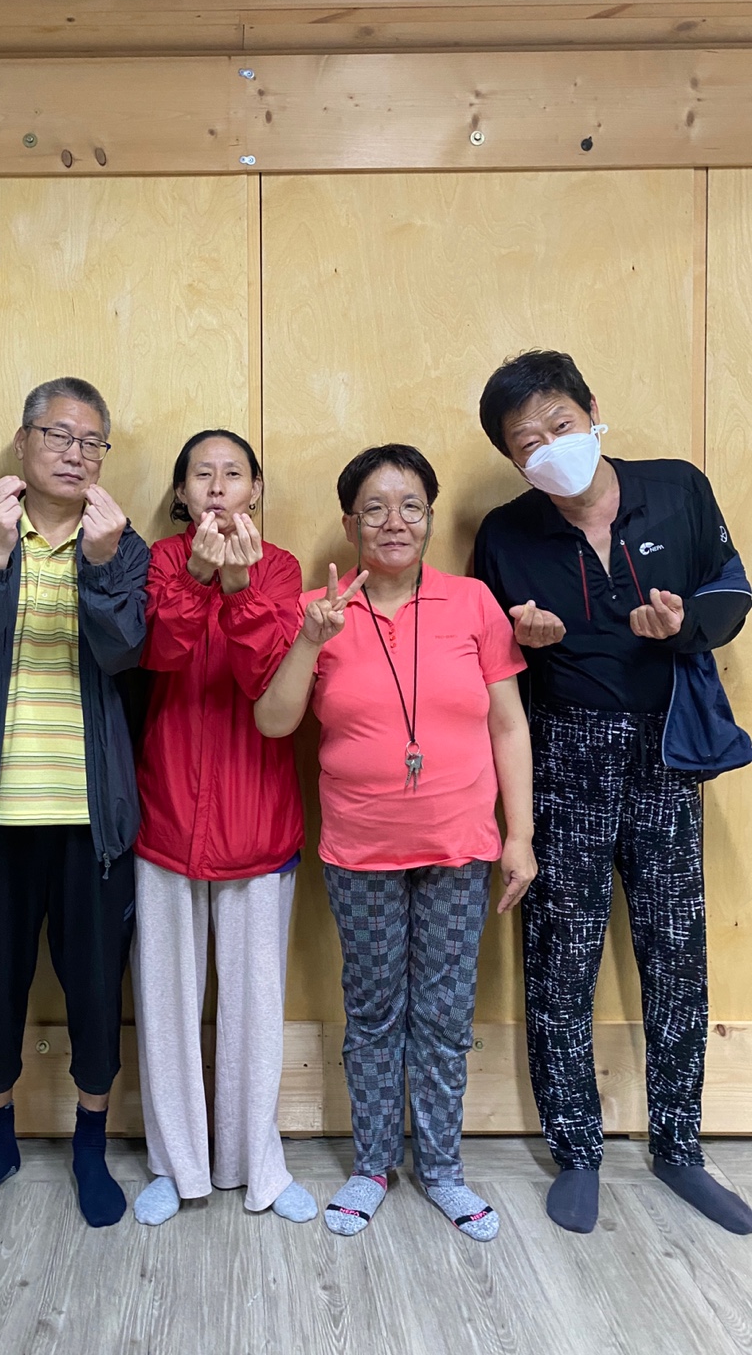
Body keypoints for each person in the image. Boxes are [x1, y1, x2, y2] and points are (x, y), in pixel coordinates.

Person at [474, 349, 752, 1237]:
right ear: (512, 458)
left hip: (667, 746)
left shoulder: (676, 488)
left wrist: (688, 623)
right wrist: (523, 639)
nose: (549, 448)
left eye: (560, 424)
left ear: (592, 410)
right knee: (563, 954)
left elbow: (733, 589)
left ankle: (679, 1145)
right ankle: (577, 1150)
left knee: (677, 950)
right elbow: (487, 661)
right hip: (565, 749)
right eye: (527, 442)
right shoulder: (506, 533)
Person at [255, 444, 535, 1242]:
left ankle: (442, 1169)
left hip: (460, 847)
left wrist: (520, 836)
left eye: (410, 505)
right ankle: (373, 1165)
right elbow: (273, 722)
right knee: (374, 1012)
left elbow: (509, 725)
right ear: (350, 524)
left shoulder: (473, 603)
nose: (394, 521)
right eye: (374, 508)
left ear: (430, 518)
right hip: (360, 851)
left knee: (444, 1014)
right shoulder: (318, 610)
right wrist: (309, 640)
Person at [0, 376, 149, 1230]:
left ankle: (91, 1145)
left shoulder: (123, 543)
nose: (75, 453)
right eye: (58, 435)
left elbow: (126, 652)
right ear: (23, 443)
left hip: (93, 816)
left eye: (92, 441)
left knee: (96, 989)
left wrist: (100, 567)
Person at [130, 430, 317, 1227]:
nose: (216, 486)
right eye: (201, 474)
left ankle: (256, 1167)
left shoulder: (280, 569)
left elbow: (266, 679)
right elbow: (158, 655)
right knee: (165, 1005)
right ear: (181, 494)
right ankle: (176, 1167)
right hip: (166, 812)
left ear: (255, 489)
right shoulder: (159, 561)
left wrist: (239, 588)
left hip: (257, 819)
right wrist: (199, 577)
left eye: (232, 473)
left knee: (254, 1008)